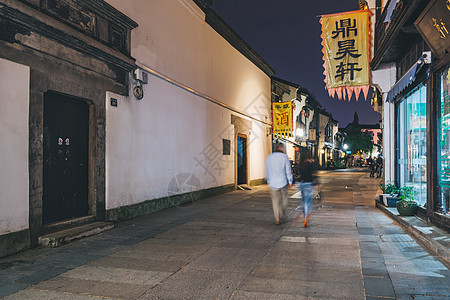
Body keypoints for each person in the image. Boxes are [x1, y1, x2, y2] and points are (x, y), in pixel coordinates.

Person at [265, 143, 293, 225]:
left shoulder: (268, 157)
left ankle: (277, 218)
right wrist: (290, 181)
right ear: (280, 148)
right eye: (283, 148)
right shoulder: (284, 157)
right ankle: (282, 213)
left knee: (275, 201)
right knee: (284, 200)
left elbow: (266, 170)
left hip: (272, 183)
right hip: (283, 182)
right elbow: (288, 170)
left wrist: (267, 180)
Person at [294, 150, 316, 228]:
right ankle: (307, 216)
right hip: (309, 183)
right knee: (309, 201)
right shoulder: (310, 164)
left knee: (304, 201)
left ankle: (305, 215)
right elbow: (313, 173)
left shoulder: (300, 164)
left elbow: (299, 173)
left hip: (302, 183)